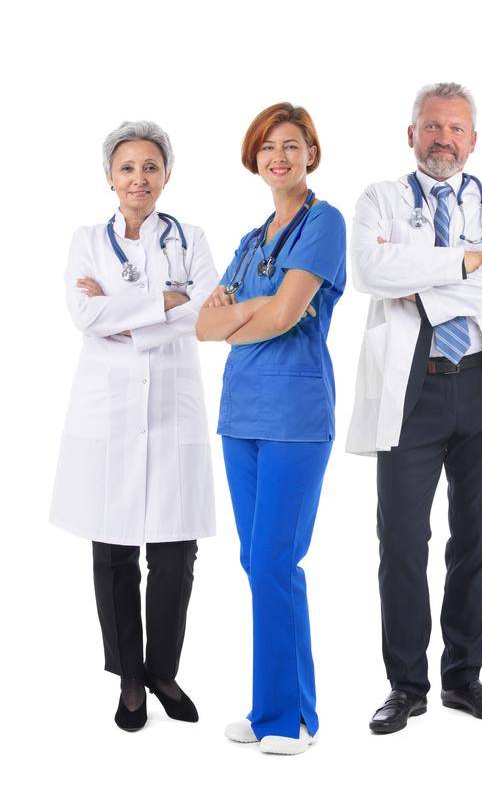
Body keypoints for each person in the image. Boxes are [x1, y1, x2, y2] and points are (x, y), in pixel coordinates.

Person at [347, 82, 482, 735]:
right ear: (411, 134)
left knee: (476, 542)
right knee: (400, 540)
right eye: (431, 126)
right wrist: (462, 261)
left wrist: (420, 278)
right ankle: (406, 685)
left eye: (455, 129)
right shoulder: (378, 200)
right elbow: (369, 269)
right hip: (412, 390)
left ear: (473, 140)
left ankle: (464, 678)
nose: (442, 138)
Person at [54, 120, 217, 732]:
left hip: (173, 405)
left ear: (167, 175)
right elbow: (82, 312)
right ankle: (128, 678)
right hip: (110, 409)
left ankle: (163, 670)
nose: (139, 178)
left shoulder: (191, 237)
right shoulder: (86, 240)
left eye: (151, 166)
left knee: (176, 550)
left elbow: (203, 311)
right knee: (114, 546)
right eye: (127, 168)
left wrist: (124, 315)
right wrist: (163, 302)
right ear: (109, 178)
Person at [196, 102, 346, 756]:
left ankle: (287, 720)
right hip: (241, 419)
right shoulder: (252, 240)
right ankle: (276, 710)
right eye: (267, 148)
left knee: (276, 562)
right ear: (254, 160)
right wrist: (257, 309)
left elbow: (287, 316)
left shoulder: (326, 223)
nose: (278, 157)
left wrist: (246, 313)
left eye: (291, 145)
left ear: (311, 153)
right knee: (258, 562)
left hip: (294, 419)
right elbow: (203, 326)